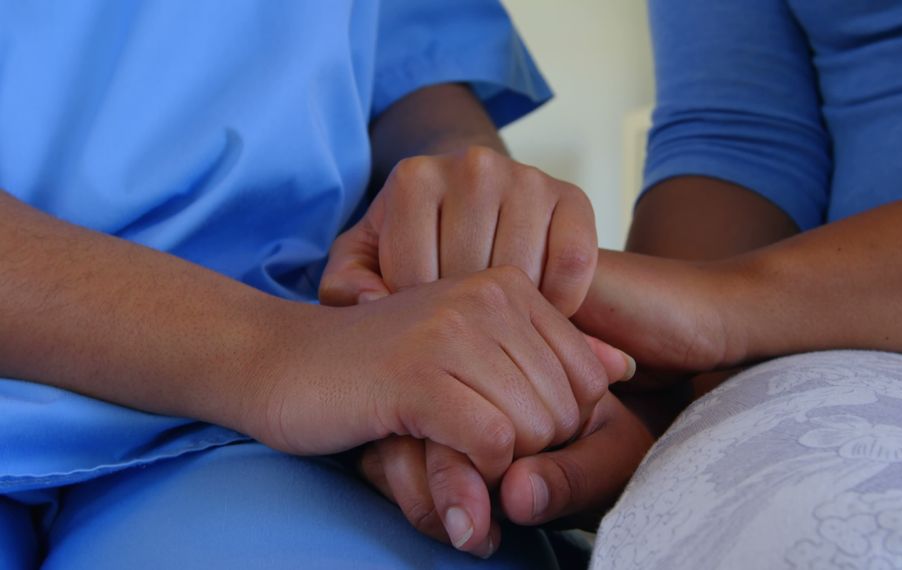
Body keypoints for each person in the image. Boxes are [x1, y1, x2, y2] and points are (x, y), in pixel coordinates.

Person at [350, 0, 902, 567]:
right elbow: (742, 134)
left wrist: (726, 305)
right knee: (814, 528)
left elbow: (723, 300)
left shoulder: (742, 305)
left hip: (802, 309)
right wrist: (622, 389)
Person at [0, 1, 636, 567]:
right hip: (290, 359)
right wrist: (278, 351)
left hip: (296, 406)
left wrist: (462, 238)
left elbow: (407, 80)